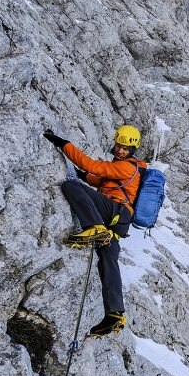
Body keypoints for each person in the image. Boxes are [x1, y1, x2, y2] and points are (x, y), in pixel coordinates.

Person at [44, 125, 147, 337]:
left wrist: (63, 145)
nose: (120, 150)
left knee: (71, 187)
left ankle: (94, 227)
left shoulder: (127, 167)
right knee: (109, 259)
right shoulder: (123, 168)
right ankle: (115, 313)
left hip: (114, 211)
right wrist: (82, 175)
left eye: (125, 148)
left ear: (133, 150)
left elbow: (91, 165)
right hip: (117, 222)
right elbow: (96, 179)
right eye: (119, 146)